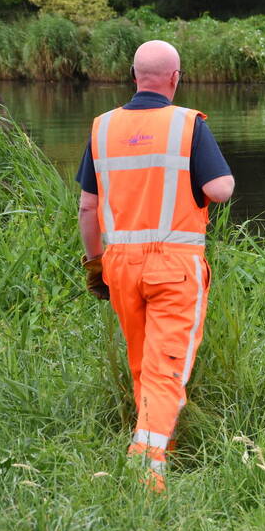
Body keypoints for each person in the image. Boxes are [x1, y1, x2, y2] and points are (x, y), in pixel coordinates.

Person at [75, 40, 235, 492]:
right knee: (167, 367)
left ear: (133, 76)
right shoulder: (187, 124)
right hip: (174, 266)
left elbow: (88, 208)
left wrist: (95, 263)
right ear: (175, 78)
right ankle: (146, 468)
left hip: (120, 266)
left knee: (145, 365)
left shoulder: (103, 127)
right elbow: (221, 189)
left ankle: (161, 442)